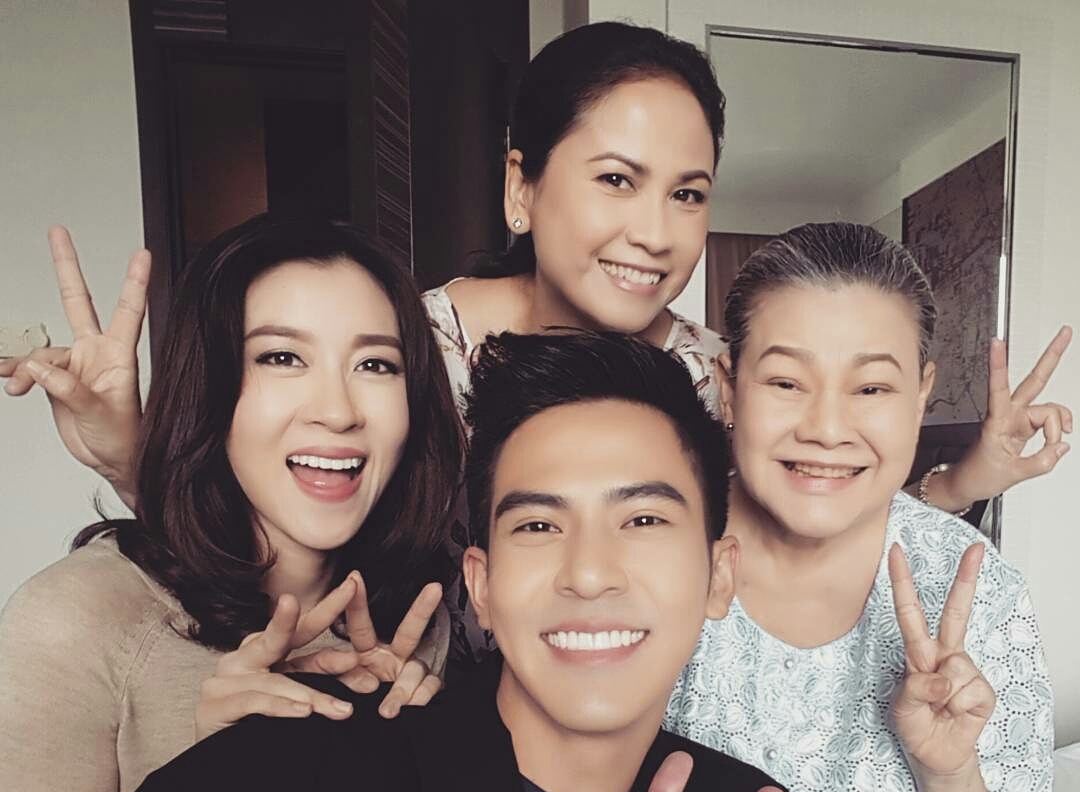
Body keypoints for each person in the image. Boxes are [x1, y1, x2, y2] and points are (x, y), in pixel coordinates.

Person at [3, 25, 1070, 655]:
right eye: (616, 179)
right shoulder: (404, 349)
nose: (654, 233)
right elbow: (273, 549)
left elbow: (814, 530)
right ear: (523, 183)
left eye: (687, 193)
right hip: (412, 717)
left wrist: (968, 475)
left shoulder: (716, 374)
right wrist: (132, 453)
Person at [0, 332, 851, 792]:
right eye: (538, 526)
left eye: (643, 520)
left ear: (720, 575)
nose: (590, 573)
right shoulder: (292, 774)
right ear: (481, 586)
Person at [662, 222, 1056, 792]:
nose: (827, 428)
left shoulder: (976, 589)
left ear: (921, 394)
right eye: (786, 382)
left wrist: (945, 769)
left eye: (871, 387)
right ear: (729, 387)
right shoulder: (656, 556)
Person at [0, 216, 462, 792]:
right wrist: (216, 777)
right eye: (282, 358)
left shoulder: (415, 622)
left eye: (376, 364)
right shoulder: (76, 623)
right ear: (210, 387)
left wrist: (425, 769)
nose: (338, 411)